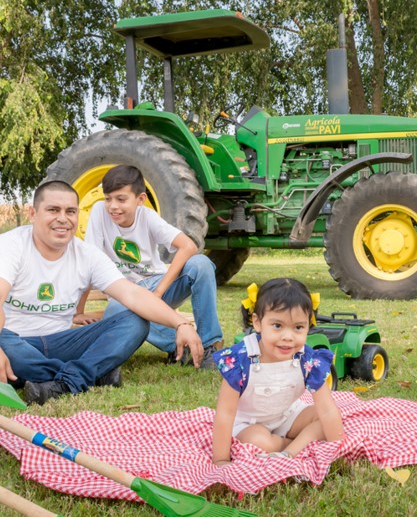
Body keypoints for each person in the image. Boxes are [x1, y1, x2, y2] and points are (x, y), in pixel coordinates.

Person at [0, 181, 204, 405]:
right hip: (13, 339)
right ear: (32, 213)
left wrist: (180, 324)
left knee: (135, 321)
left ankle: (62, 379)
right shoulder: (11, 246)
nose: (62, 219)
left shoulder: (87, 254)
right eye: (52, 210)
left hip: (65, 342)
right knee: (8, 345)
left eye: (70, 211)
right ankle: (91, 376)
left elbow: (132, 294)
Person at [78, 165, 222, 368]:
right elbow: (89, 263)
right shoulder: (99, 213)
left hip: (158, 285)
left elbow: (188, 246)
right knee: (116, 311)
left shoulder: (147, 217)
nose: (113, 206)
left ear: (140, 199)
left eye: (121, 199)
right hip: (125, 293)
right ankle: (181, 347)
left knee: (202, 264)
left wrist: (159, 291)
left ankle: (208, 346)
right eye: (108, 198)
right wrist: (79, 311)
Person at [211, 278, 344, 465]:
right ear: (257, 323)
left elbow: (327, 409)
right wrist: (221, 459)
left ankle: (289, 453)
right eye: (277, 326)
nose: (288, 337)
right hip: (249, 424)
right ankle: (289, 445)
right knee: (259, 442)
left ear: (308, 325)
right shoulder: (240, 360)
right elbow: (225, 413)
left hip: (287, 415)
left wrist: (338, 449)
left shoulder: (307, 358)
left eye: (298, 327)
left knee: (326, 420)